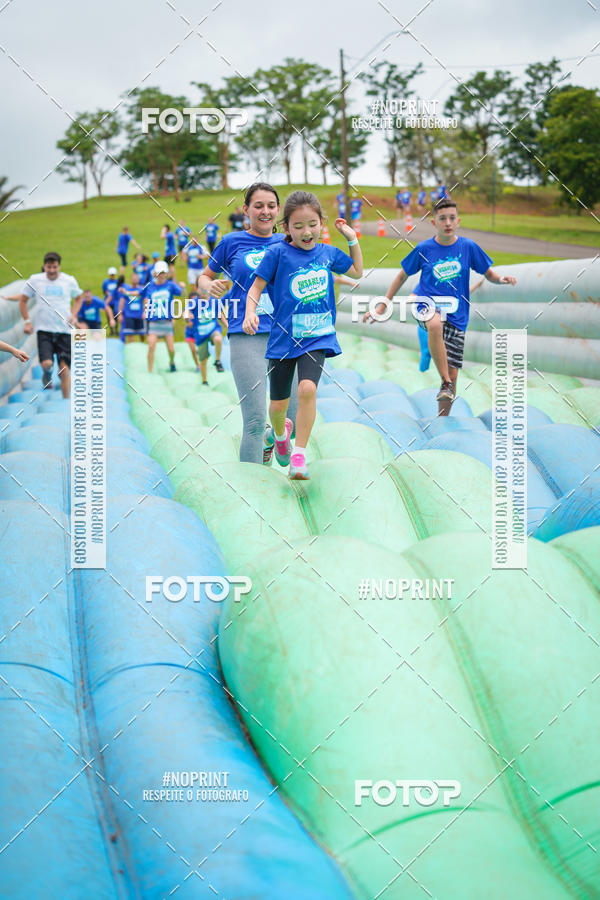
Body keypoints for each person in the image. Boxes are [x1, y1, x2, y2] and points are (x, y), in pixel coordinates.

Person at [243, 190, 363, 480]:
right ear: (286, 228)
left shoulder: (328, 254)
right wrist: (250, 312)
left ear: (321, 223)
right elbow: (256, 287)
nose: (306, 232)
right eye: (298, 226)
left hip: (316, 336)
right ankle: (280, 434)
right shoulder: (277, 254)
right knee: (276, 407)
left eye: (312, 224)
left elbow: (358, 271)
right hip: (283, 340)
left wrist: (351, 237)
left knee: (307, 389)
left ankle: (298, 454)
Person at [364, 198, 517, 415]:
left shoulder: (468, 247)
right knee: (435, 324)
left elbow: (488, 273)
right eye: (442, 218)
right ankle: (444, 380)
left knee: (454, 378)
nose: (447, 222)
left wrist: (501, 280)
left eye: (452, 218)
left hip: (457, 315)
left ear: (458, 221)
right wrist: (382, 305)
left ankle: (443, 417)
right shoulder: (424, 248)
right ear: (434, 223)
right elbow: (401, 276)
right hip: (425, 303)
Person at [198, 182, 298, 465]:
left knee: (292, 421)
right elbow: (204, 277)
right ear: (246, 210)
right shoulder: (231, 242)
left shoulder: (289, 243)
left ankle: (273, 439)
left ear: (278, 211)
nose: (265, 211)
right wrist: (209, 286)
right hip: (246, 334)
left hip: (286, 337)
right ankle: (250, 494)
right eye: (258, 206)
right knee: (254, 421)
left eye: (271, 206)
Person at [7, 251, 82, 397]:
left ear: (59, 266)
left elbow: (78, 298)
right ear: (44, 266)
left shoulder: (69, 281)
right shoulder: (36, 280)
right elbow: (23, 299)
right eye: (49, 267)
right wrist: (27, 322)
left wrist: (73, 315)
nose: (52, 270)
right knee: (47, 364)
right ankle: (47, 375)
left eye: (55, 267)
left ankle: (66, 401)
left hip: (64, 330)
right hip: (44, 330)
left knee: (64, 370)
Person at [141, 261, 183, 373]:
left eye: (163, 272)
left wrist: (182, 286)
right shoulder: (150, 286)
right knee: (151, 346)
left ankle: (172, 362)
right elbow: (146, 300)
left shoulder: (170, 285)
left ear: (166, 273)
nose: (161, 275)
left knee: (171, 349)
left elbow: (181, 293)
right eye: (159, 272)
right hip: (154, 322)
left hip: (167, 322)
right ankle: (149, 370)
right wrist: (145, 310)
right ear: (154, 273)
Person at [185, 291, 226, 382]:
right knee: (203, 360)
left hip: (213, 330)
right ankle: (204, 380)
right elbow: (186, 312)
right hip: (201, 334)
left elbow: (220, 314)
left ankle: (218, 361)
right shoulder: (194, 303)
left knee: (218, 339)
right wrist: (188, 317)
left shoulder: (213, 301)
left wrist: (227, 325)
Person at [117, 273, 145, 343]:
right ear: (130, 280)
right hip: (129, 315)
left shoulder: (141, 289)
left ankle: (141, 347)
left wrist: (145, 312)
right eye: (133, 279)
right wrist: (120, 314)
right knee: (130, 333)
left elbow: (145, 300)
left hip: (139, 315)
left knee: (142, 334)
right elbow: (121, 302)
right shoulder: (127, 289)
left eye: (136, 279)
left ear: (138, 280)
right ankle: (132, 348)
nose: (135, 280)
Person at [102, 267, 119, 334]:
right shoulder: (106, 282)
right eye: (111, 274)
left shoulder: (117, 282)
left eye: (113, 274)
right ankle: (111, 330)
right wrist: (108, 294)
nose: (112, 276)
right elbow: (104, 291)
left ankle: (116, 330)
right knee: (109, 316)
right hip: (108, 302)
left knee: (116, 316)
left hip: (115, 302)